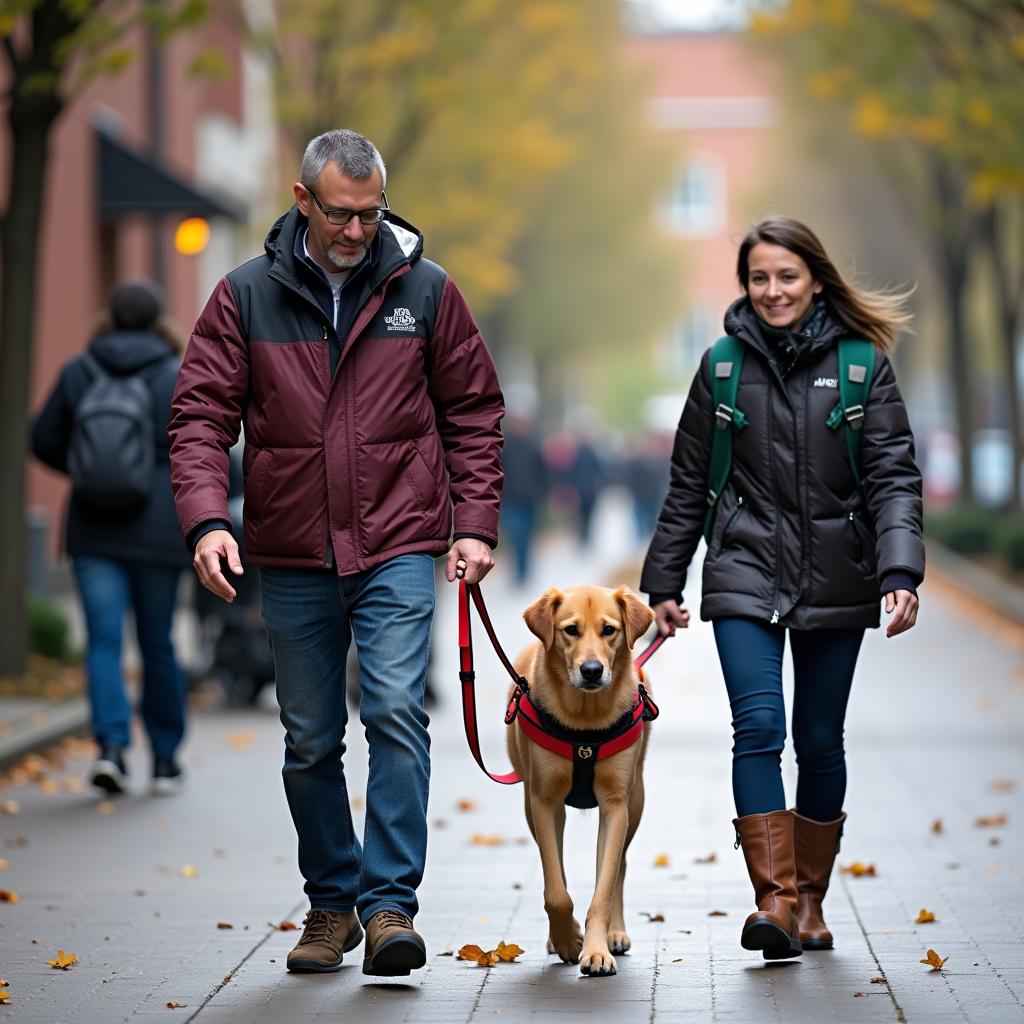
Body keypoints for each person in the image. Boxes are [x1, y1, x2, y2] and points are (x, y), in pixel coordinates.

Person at [168, 129, 504, 977]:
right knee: (311, 738)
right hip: (288, 551)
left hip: (397, 538)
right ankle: (330, 904)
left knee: (394, 709)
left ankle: (389, 905)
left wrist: (474, 524)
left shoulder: (425, 292)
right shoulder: (244, 296)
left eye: (370, 213)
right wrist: (209, 520)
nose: (356, 231)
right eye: (340, 214)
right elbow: (201, 417)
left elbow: (473, 411)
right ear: (302, 199)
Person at [640, 217, 923, 961]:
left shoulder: (863, 366)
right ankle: (774, 902)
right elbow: (688, 487)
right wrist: (663, 582)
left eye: (787, 276)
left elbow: (894, 477)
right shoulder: (722, 367)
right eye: (759, 277)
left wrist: (900, 570)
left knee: (820, 741)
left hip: (840, 571)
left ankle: (811, 898)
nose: (772, 291)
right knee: (759, 729)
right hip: (743, 570)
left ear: (816, 280)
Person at [31, 279, 189, 796]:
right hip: (158, 528)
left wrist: (85, 468)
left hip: (93, 528)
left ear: (108, 317)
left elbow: (42, 439)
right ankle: (164, 759)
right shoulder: (173, 374)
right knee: (157, 643)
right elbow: (196, 443)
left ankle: (111, 749)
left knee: (102, 641)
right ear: (157, 321)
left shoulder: (79, 371)